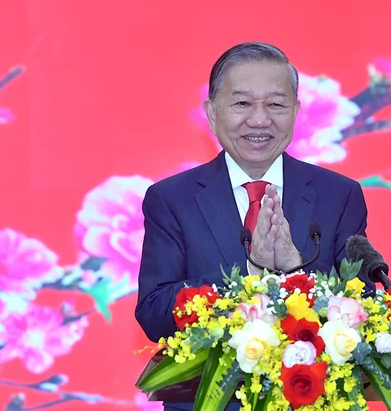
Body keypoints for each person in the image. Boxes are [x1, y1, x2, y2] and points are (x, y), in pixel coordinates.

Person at [134, 42, 370, 401]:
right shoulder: (171, 199)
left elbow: (367, 306)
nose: (259, 120)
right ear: (212, 114)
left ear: (295, 112)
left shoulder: (339, 195)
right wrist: (249, 271)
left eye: (276, 104)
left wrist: (296, 273)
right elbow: (154, 314)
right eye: (242, 103)